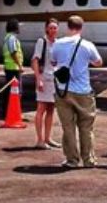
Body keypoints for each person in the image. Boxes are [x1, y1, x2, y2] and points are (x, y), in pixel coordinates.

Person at [50, 15, 103, 168]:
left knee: (68, 127)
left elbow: (53, 61)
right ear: (81, 27)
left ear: (68, 27)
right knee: (86, 127)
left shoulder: (58, 44)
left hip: (63, 91)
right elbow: (98, 62)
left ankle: (72, 159)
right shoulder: (87, 45)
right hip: (83, 91)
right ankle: (88, 159)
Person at [32, 19, 59, 149]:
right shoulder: (41, 42)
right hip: (44, 78)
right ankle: (39, 140)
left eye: (55, 28)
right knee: (41, 109)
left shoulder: (58, 43)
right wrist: (38, 79)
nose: (53, 30)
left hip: (54, 80)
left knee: (51, 110)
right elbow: (35, 60)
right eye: (51, 28)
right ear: (46, 29)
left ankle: (48, 138)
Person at [2, 19, 24, 115]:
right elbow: (13, 52)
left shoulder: (8, 37)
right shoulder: (12, 38)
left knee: (11, 92)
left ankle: (10, 112)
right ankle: (12, 113)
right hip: (13, 68)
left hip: (10, 67)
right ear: (15, 27)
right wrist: (19, 65)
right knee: (15, 92)